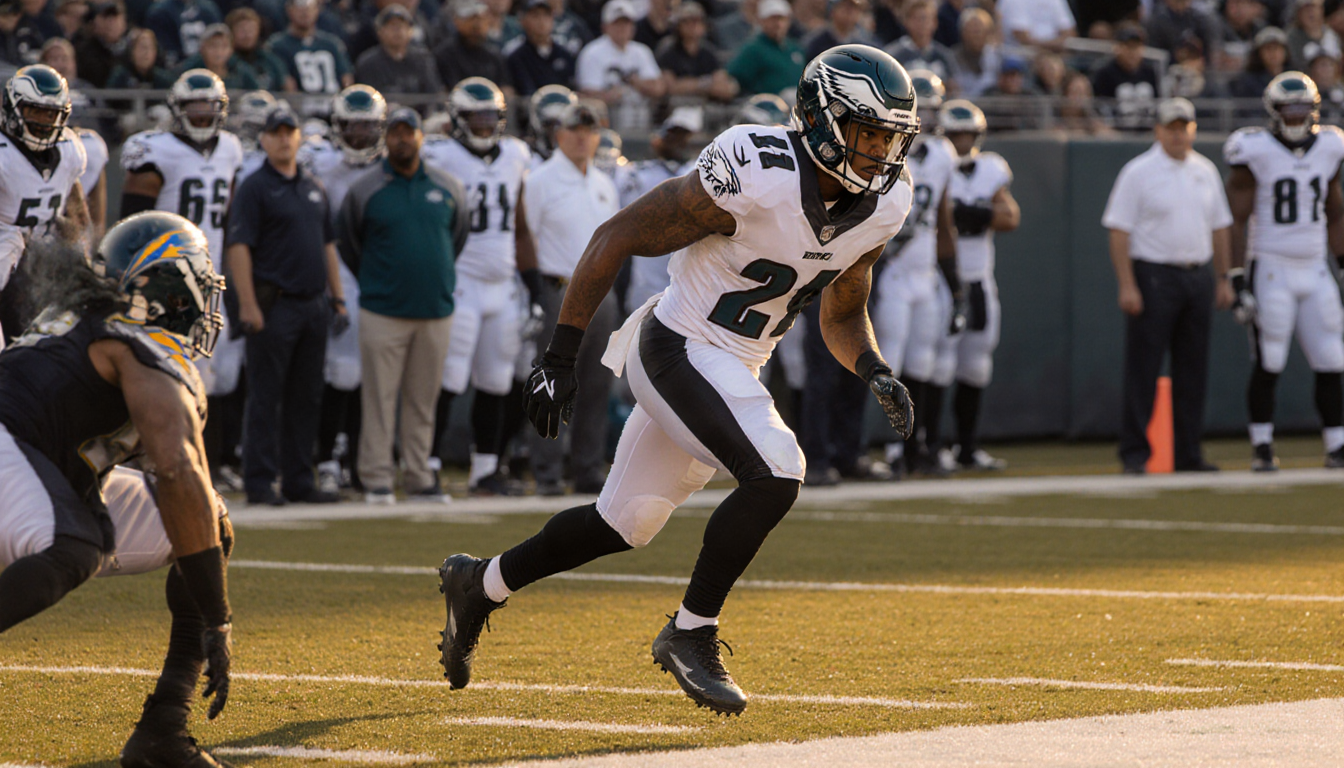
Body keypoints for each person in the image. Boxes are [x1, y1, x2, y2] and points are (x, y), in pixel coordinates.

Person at [435, 44, 917, 716]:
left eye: (890, 138)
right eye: (867, 133)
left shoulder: (885, 204)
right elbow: (616, 235)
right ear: (821, 121)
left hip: (738, 361)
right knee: (777, 471)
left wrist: (873, 368)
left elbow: (843, 306)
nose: (879, 153)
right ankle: (691, 633)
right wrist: (560, 355)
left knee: (624, 521)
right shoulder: (755, 170)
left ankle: (478, 585)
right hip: (678, 344)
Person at [0, 212, 234, 768]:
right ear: (169, 285)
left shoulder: (86, 320)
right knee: (73, 544)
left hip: (31, 471)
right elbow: (176, 468)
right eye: (197, 282)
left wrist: (213, 604)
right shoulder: (140, 344)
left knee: (209, 527)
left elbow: (191, 488)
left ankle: (162, 731)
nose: (203, 300)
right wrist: (219, 619)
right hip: (9, 452)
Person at [120, 69, 246, 494]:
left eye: (209, 104)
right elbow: (132, 221)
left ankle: (212, 461)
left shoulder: (230, 147)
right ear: (177, 108)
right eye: (194, 104)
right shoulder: (156, 150)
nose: (203, 112)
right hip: (168, 280)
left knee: (217, 376)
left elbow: (227, 213)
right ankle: (158, 462)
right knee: (170, 374)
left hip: (211, 278)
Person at [337, 106, 469, 504]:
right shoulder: (365, 189)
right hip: (382, 311)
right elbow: (349, 243)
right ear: (385, 137)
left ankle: (417, 476)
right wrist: (379, 283)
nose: (402, 139)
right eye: (395, 132)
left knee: (423, 399)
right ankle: (376, 477)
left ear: (419, 137)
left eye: (408, 132)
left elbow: (456, 238)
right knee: (378, 399)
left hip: (435, 310)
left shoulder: (448, 186)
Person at [1103, 97, 1234, 475]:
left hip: (1198, 274)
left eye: (1185, 127)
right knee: (1144, 368)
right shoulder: (1139, 171)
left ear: (1193, 129)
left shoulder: (1205, 170)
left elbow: (1220, 227)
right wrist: (1127, 284)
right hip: (1155, 275)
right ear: (1158, 130)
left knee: (1193, 370)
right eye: (1171, 127)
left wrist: (1223, 277)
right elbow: (1119, 230)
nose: (1179, 134)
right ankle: (1134, 453)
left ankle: (1189, 454)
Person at [422, 78, 538, 496]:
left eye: (492, 116)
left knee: (496, 380)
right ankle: (428, 466)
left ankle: (485, 470)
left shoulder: (515, 155)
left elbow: (521, 225)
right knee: (449, 378)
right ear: (457, 119)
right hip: (462, 281)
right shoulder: (440, 155)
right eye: (477, 116)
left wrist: (532, 282)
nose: (486, 125)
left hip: (502, 283)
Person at [226, 106, 348, 504]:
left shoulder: (313, 185)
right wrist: (247, 304)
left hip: (313, 304)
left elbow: (327, 245)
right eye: (275, 132)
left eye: (289, 132)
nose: (283, 139)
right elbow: (239, 247)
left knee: (306, 396)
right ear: (263, 139)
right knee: (265, 396)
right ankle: (260, 482)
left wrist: (338, 297)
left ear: (298, 138)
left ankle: (298, 479)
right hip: (273, 303)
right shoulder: (254, 187)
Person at [1224, 71, 1344, 470]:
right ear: (1273, 113)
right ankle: (1262, 446)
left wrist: (1341, 262)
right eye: (1288, 111)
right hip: (1272, 265)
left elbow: (1335, 210)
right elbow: (1236, 219)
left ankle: (1336, 444)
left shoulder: (1330, 144)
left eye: (1302, 110)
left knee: (1331, 358)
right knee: (1270, 360)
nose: (1295, 118)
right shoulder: (1252, 148)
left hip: (1315, 266)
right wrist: (1238, 278)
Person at [518, 101, 619, 495]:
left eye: (589, 130)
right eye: (575, 129)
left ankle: (586, 468)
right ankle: (546, 470)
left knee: (595, 385)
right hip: (558, 287)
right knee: (551, 382)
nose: (582, 136)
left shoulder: (603, 183)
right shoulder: (541, 179)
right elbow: (524, 238)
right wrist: (532, 292)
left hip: (600, 293)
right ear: (559, 134)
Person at [874, 69, 960, 477]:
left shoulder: (943, 153)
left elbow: (943, 219)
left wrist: (955, 281)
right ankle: (893, 448)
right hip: (892, 272)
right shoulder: (884, 148)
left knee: (923, 363)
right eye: (920, 107)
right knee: (892, 361)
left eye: (933, 108)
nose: (927, 116)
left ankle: (918, 442)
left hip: (925, 273)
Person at [302, 84, 386, 496]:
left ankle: (354, 459)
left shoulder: (390, 166)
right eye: (351, 128)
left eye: (367, 128)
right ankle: (328, 458)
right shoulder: (319, 162)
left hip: (375, 273)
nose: (359, 136)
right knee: (340, 373)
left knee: (367, 376)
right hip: (336, 276)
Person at [933, 98, 1019, 471]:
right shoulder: (934, 163)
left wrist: (969, 214)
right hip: (939, 278)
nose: (962, 141)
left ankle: (966, 447)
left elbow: (1010, 216)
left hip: (979, 279)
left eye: (968, 134)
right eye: (955, 134)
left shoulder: (991, 167)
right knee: (934, 363)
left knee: (976, 365)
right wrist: (977, 215)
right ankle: (922, 445)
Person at [0, 65, 88, 347]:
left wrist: (78, 247)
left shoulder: (69, 149)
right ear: (12, 108)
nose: (43, 121)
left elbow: (76, 210)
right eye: (34, 111)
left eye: (51, 113)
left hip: (45, 264)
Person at [620, 106, 701, 313]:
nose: (678, 142)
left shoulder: (700, 172)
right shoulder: (639, 173)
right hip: (647, 273)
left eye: (684, 136)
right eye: (673, 135)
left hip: (688, 273)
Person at [575, 0, 664, 129]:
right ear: (605, 27)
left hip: (641, 122)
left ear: (633, 27)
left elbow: (659, 88)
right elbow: (588, 95)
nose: (622, 28)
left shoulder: (641, 51)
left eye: (626, 23)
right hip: (606, 123)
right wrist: (610, 96)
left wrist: (636, 82)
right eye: (617, 23)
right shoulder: (592, 52)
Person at [266, 0, 354, 97]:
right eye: (300, 7)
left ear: (317, 10)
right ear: (289, 10)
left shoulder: (331, 43)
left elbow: (346, 78)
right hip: (298, 106)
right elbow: (285, 83)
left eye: (309, 7)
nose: (305, 12)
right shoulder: (278, 46)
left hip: (333, 104)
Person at [656, 1, 738, 103]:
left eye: (697, 21)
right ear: (678, 25)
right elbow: (670, 87)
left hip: (706, 106)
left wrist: (693, 85)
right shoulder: (668, 50)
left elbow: (723, 85)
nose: (693, 26)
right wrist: (704, 84)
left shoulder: (708, 51)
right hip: (678, 106)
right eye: (687, 21)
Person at [357, 3, 442, 96]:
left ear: (410, 31)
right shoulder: (367, 63)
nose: (397, 31)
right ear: (379, 31)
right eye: (391, 26)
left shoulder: (423, 59)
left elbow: (434, 96)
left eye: (402, 26)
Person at [727, 0, 805, 96]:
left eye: (782, 19)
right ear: (761, 21)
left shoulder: (795, 49)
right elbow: (732, 77)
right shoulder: (753, 49)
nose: (778, 24)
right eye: (773, 19)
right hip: (767, 105)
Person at [1091, 25, 1159, 131]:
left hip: (1147, 133)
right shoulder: (1105, 73)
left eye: (1136, 47)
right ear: (1117, 48)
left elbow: (1157, 103)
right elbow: (1099, 107)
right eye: (1128, 46)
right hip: (1116, 134)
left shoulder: (1149, 72)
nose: (1132, 52)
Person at [434, 0, 511, 93]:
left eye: (482, 18)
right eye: (471, 18)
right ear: (457, 21)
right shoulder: (445, 55)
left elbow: (506, 89)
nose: (477, 24)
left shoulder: (494, 55)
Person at [505, 0, 577, 97]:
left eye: (546, 15)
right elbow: (526, 91)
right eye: (535, 16)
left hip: (563, 106)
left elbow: (571, 87)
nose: (541, 21)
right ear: (523, 20)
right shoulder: (516, 56)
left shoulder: (564, 54)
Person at [885, 0, 958, 87]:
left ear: (934, 23)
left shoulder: (944, 55)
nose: (922, 24)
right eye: (916, 19)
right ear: (905, 22)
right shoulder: (893, 55)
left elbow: (954, 88)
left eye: (925, 18)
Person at [175, 23, 263, 90]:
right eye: (213, 46)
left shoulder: (242, 72)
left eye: (224, 46)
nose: (218, 51)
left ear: (231, 49)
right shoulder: (188, 72)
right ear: (202, 49)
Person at [227, 6, 294, 92]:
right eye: (242, 30)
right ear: (231, 31)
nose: (247, 35)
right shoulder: (225, 63)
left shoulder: (270, 60)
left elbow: (287, 86)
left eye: (251, 29)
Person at [143, 0, 222, 69]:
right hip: (176, 69)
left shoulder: (209, 8)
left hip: (209, 68)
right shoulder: (160, 12)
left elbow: (220, 39)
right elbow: (166, 53)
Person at [73, 0, 127, 89]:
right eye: (105, 17)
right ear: (96, 21)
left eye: (115, 17)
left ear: (124, 21)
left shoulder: (132, 49)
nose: (111, 22)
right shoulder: (84, 52)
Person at [524, 82, 576, 165]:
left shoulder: (583, 157)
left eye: (560, 125)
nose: (555, 131)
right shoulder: (525, 156)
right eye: (549, 124)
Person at [998, 0, 1076, 54]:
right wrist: (1053, 47)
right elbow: (1022, 37)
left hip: (1056, 56)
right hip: (1022, 56)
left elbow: (1070, 32)